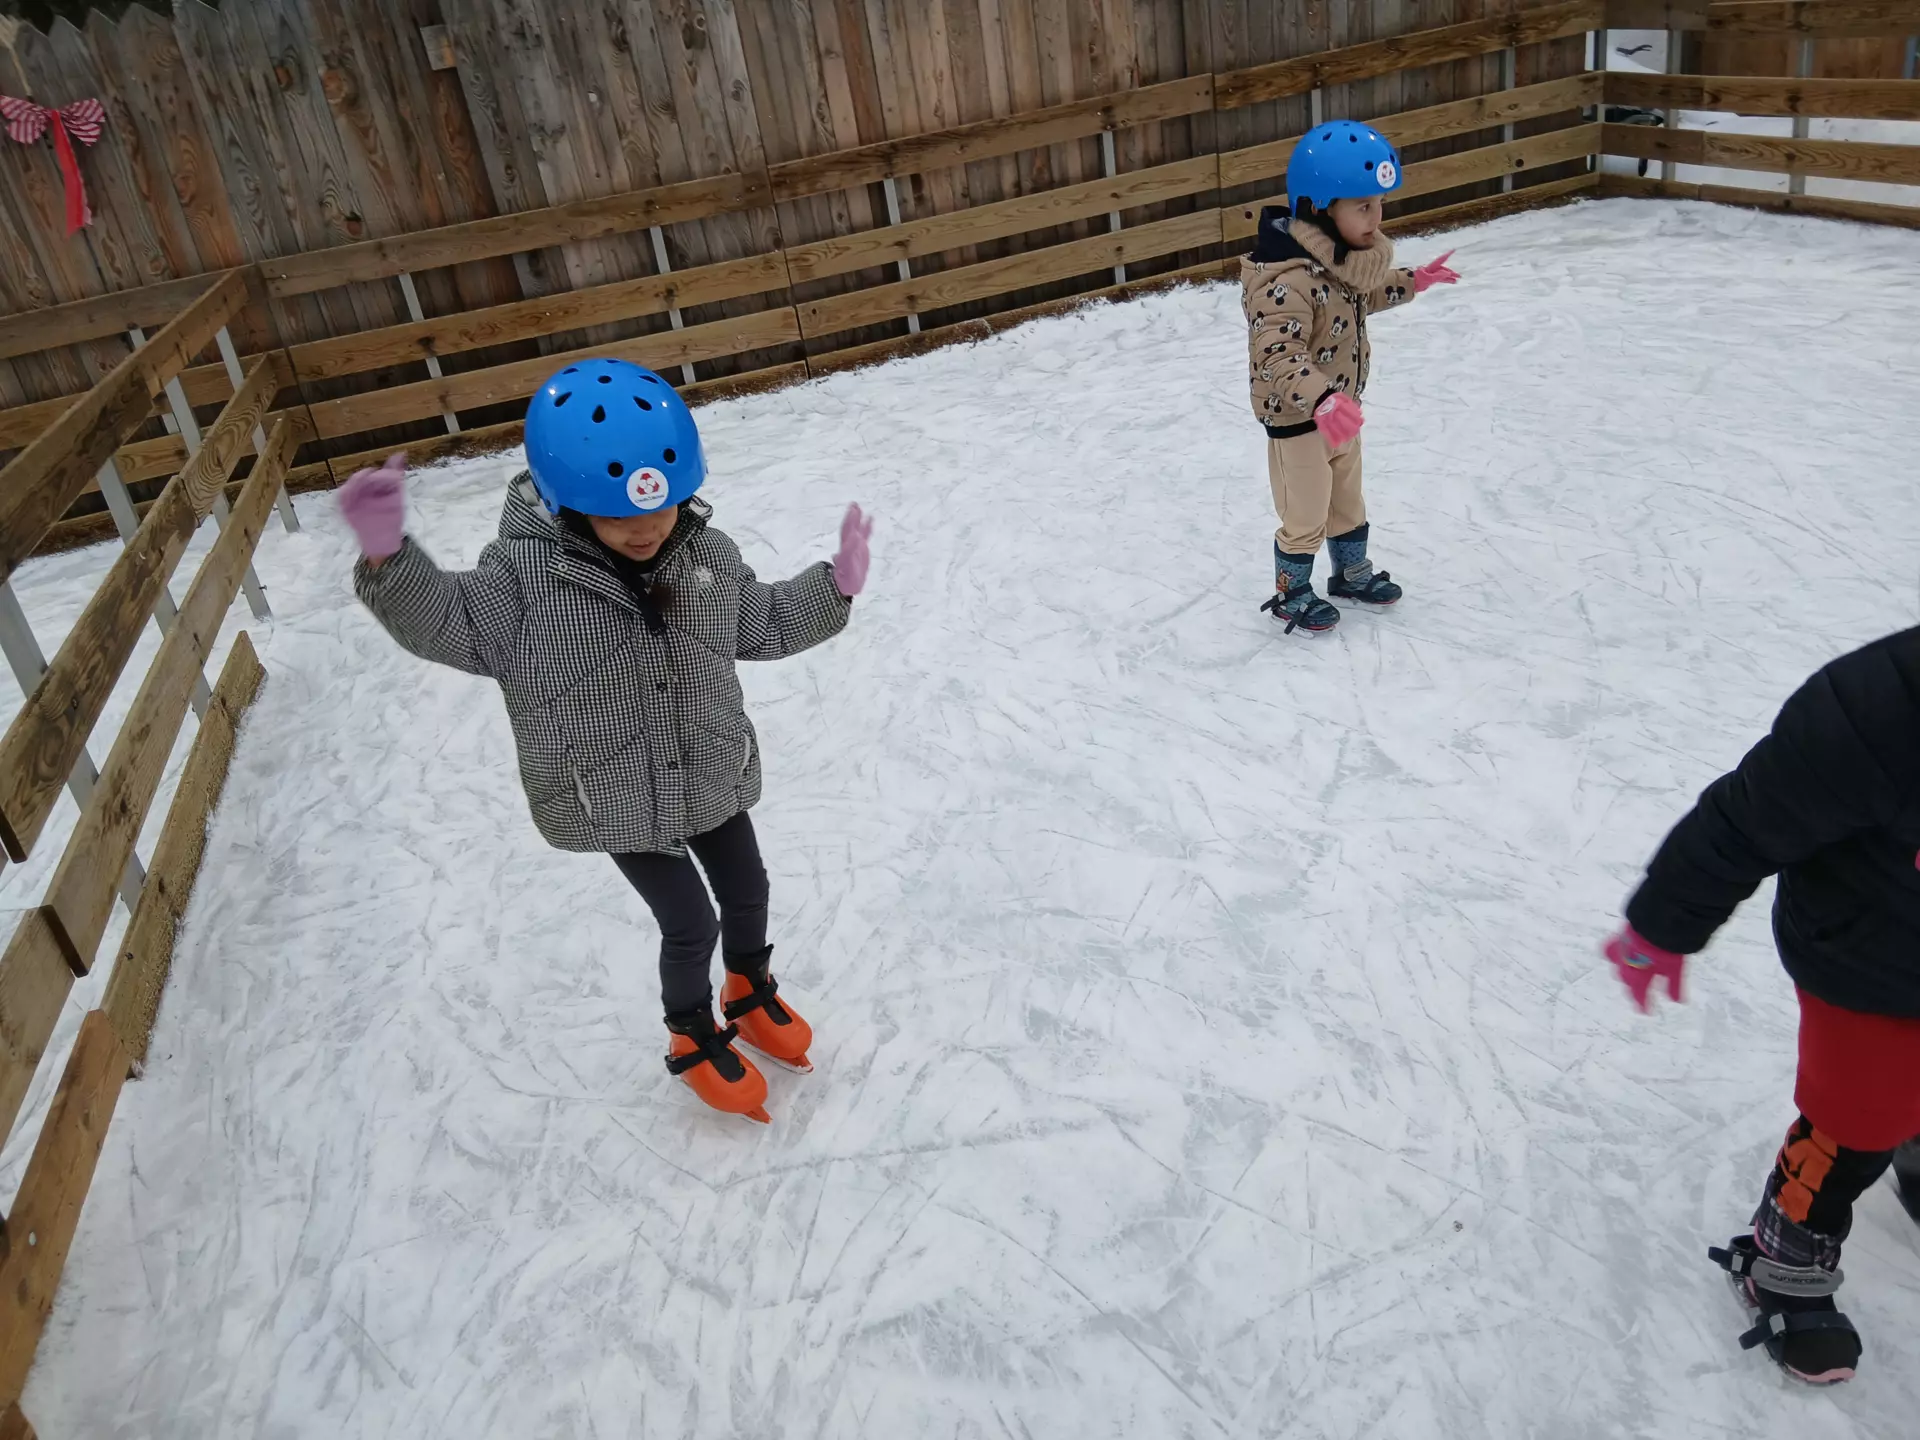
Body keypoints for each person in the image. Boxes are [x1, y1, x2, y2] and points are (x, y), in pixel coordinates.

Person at [338, 358, 873, 1125]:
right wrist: (392, 560)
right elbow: (448, 621)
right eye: (618, 515)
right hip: (615, 793)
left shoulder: (704, 558)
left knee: (749, 888)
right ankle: (691, 1032)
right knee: (691, 921)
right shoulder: (522, 585)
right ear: (564, 500)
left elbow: (761, 620)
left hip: (710, 767)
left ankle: (749, 989)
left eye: (660, 506)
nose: (647, 528)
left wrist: (834, 588)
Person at [1603, 626, 1920, 1384]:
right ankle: (1782, 1256)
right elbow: (1746, 821)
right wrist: (1664, 923)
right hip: (1870, 957)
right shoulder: (1884, 704)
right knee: (1858, 1115)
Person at [1241, 119, 1461, 634]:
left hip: (1339, 411)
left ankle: (1350, 573)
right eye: (1363, 206)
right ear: (1319, 207)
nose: (1376, 217)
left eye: (1379, 203)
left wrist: (1414, 282)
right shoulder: (1285, 280)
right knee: (1306, 511)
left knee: (1347, 499)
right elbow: (1276, 353)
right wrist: (1320, 400)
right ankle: (1292, 591)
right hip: (1300, 418)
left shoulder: (1338, 261)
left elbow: (1362, 299)